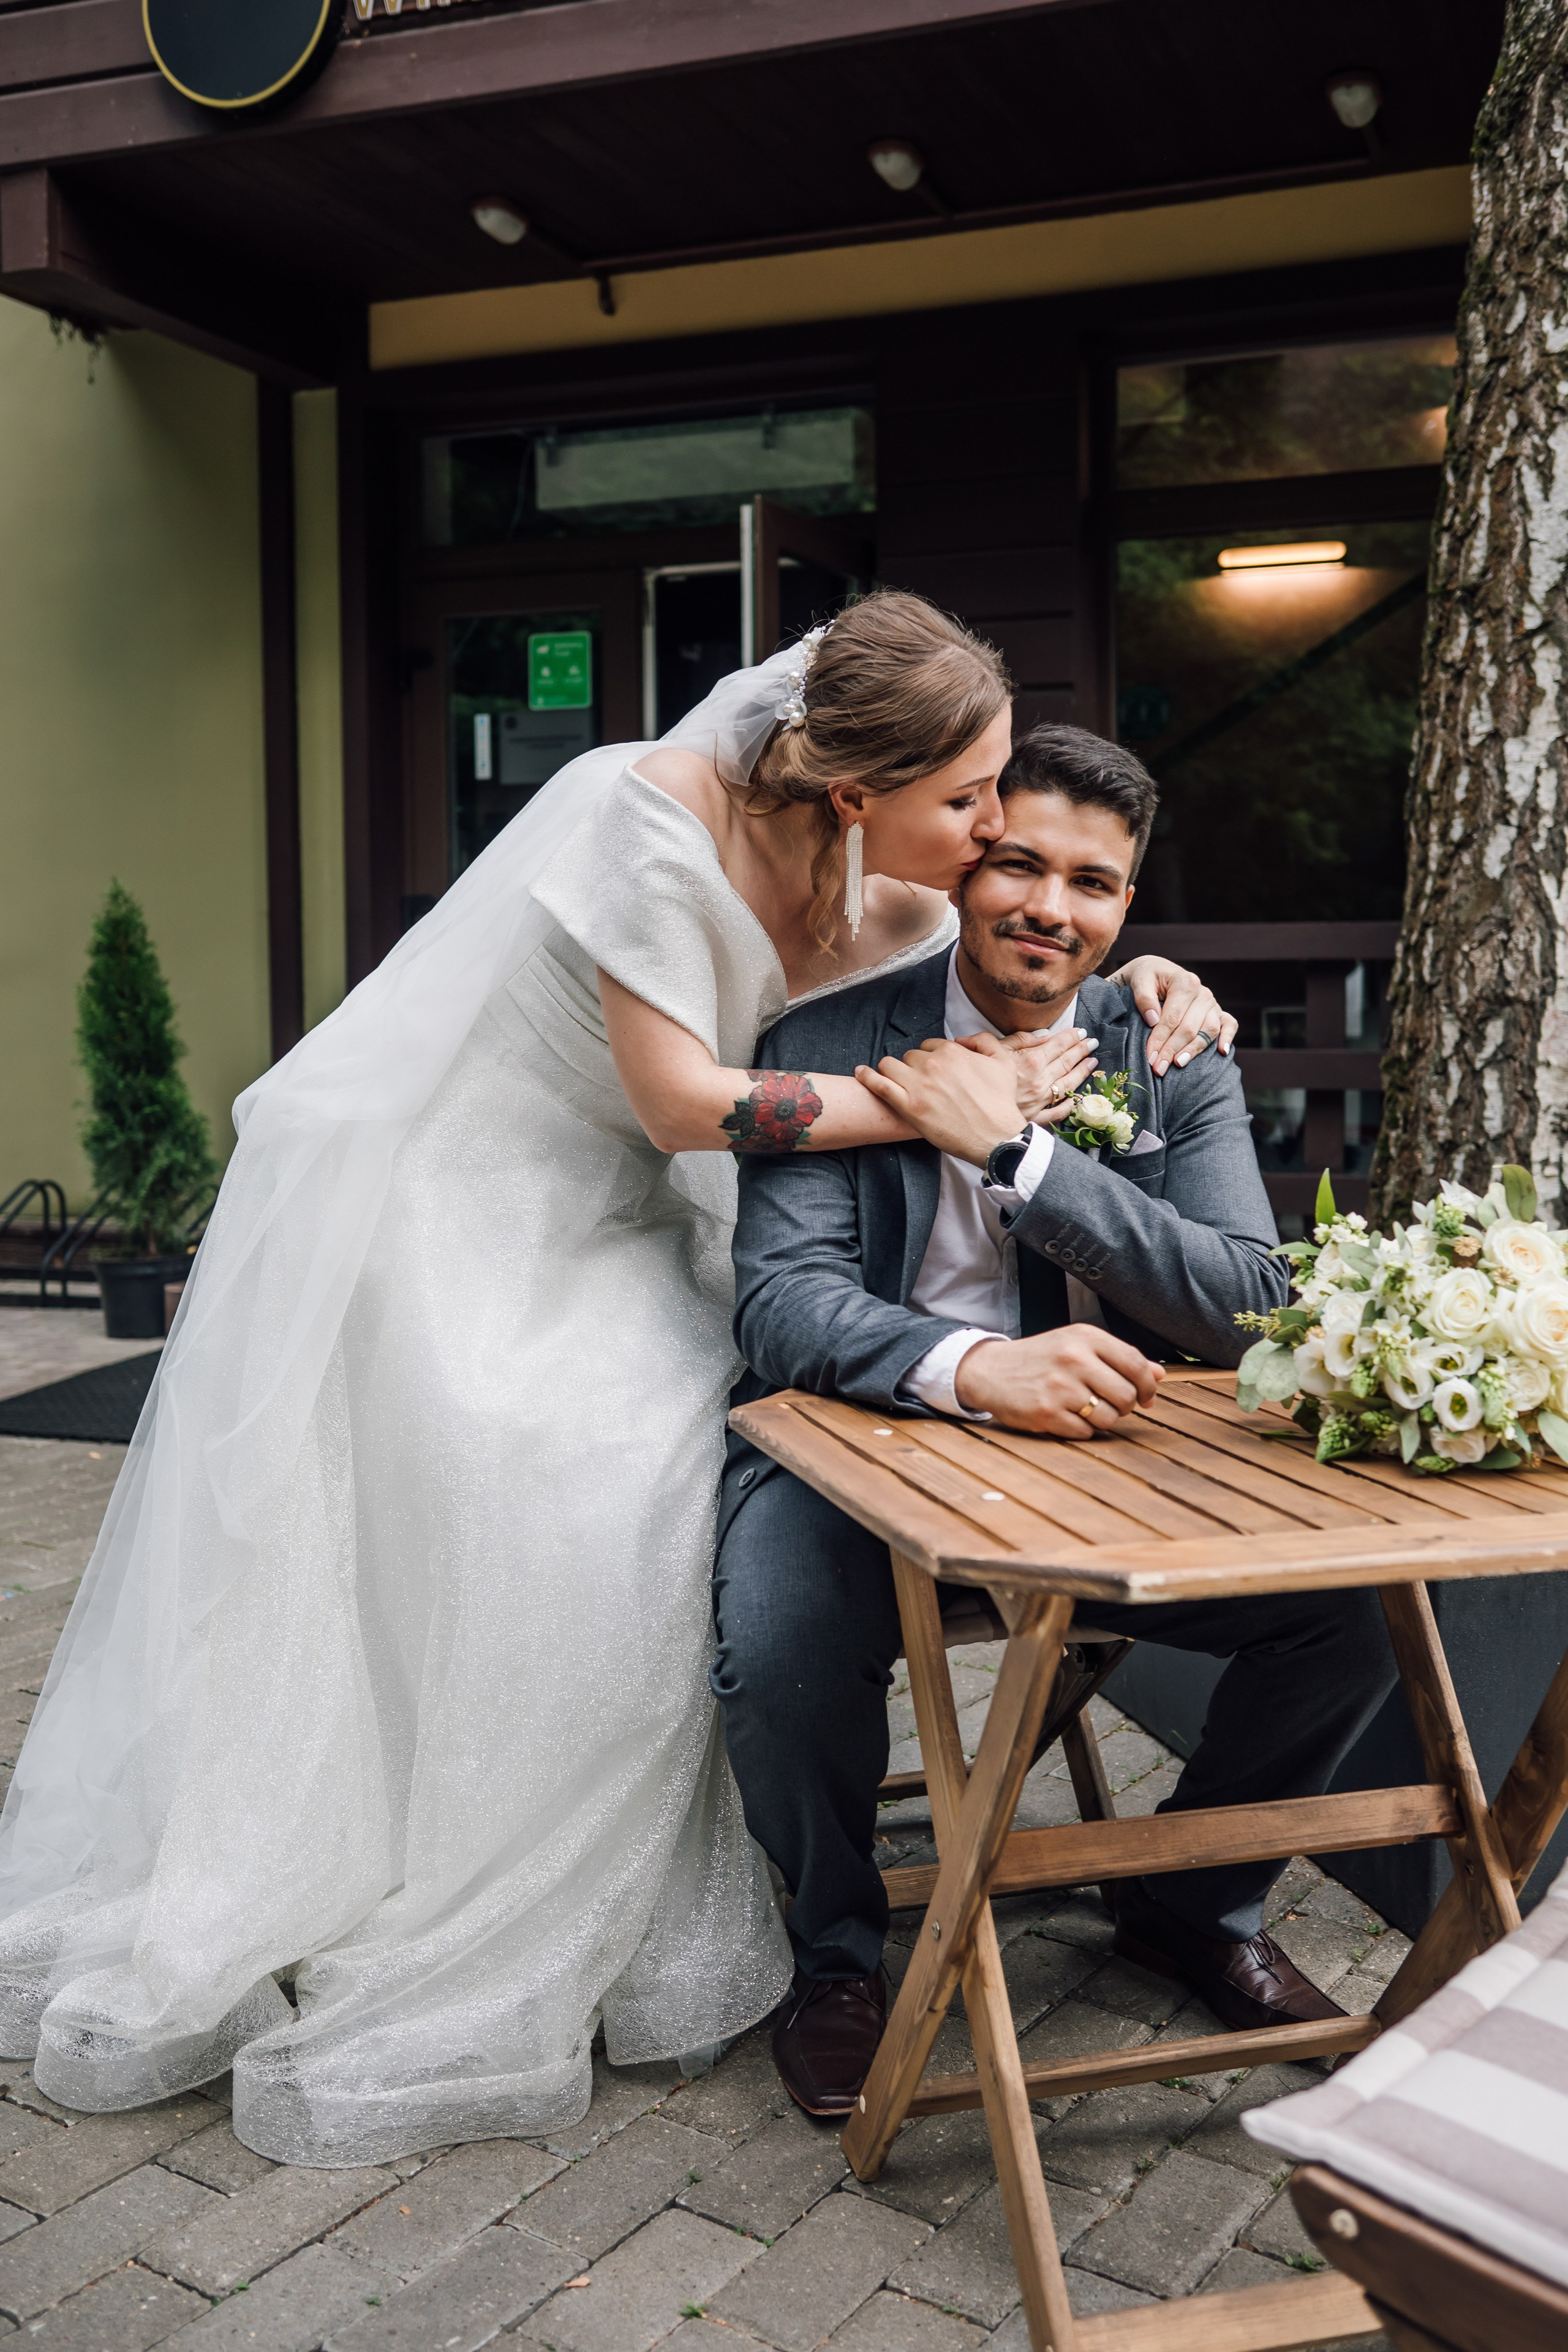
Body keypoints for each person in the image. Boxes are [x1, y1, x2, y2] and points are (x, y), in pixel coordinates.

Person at [0, 598, 1231, 2168]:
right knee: (590, 1463)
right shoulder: (632, 816)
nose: (994, 831)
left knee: (691, 1446)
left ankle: (645, 1867)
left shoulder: (895, 879)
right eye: (969, 800)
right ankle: (414, 1858)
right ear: (856, 792)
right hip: (471, 1208)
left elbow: (1038, 954)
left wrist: (1152, 982)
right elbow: (672, 1103)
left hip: (641, 1227)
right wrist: (937, 1108)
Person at [715, 722, 1399, 2119]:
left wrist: (1020, 1156)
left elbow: (1249, 1299)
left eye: (1090, 884)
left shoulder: (1166, 1051)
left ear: (1124, 907)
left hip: (1109, 1455)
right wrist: (970, 1366)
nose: (1049, 907)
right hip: (863, 1434)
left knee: (1352, 1614)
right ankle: (837, 1957)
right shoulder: (826, 1043)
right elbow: (783, 1310)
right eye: (1018, 865)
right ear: (966, 872)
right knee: (775, 1644)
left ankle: (1188, 1902)